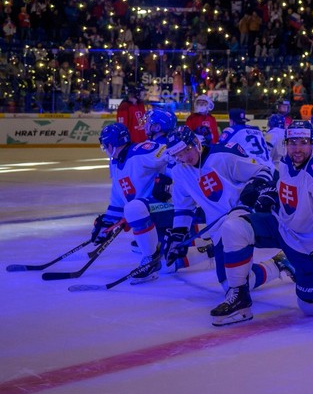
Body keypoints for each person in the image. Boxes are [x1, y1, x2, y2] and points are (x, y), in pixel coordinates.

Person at [209, 120, 313, 327]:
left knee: (311, 308)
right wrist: (270, 194)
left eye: (303, 142)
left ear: (312, 143)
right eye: (292, 142)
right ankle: (239, 297)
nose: (297, 148)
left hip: (305, 244)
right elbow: (284, 189)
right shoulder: (285, 161)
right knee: (233, 227)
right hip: (280, 226)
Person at [163, 126, 287, 285]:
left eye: (187, 150)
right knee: (231, 283)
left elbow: (263, 171)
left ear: (195, 142)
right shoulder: (179, 172)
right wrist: (178, 235)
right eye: (179, 155)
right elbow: (183, 207)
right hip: (218, 230)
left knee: (237, 282)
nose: (185, 158)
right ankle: (277, 264)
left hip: (245, 218)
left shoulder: (223, 155)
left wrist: (254, 186)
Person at [94, 122, 174, 280]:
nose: (105, 149)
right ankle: (153, 249)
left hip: (170, 205)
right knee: (132, 208)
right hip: (152, 209)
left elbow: (173, 152)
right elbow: (118, 199)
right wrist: (106, 223)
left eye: (105, 145)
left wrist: (169, 180)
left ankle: (150, 259)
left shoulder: (140, 151)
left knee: (133, 209)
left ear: (111, 144)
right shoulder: (115, 163)